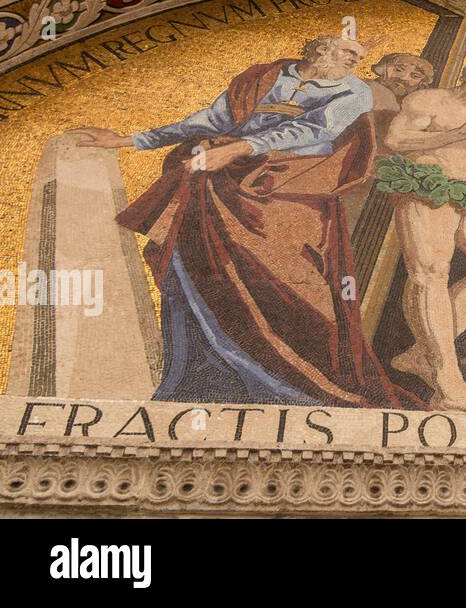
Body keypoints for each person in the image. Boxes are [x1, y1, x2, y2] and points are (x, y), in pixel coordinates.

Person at [69, 35, 419, 409]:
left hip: (286, 188)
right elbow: (212, 120)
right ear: (320, 50)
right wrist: (129, 141)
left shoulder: (353, 92)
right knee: (197, 270)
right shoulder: (267, 77)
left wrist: (235, 149)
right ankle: (206, 381)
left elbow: (315, 130)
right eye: (349, 53)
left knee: (295, 287)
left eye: (360, 57)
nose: (355, 61)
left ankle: (305, 387)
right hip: (220, 180)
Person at [379, 63, 466, 410]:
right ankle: (449, 385)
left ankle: (420, 353)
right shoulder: (428, 99)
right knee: (430, 275)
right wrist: (458, 134)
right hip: (431, 187)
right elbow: (396, 140)